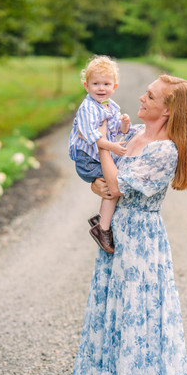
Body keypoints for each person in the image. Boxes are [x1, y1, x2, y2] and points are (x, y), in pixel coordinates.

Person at [67, 74, 187, 375]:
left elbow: (115, 185)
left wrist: (101, 150)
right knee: (112, 314)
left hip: (142, 241)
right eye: (145, 93)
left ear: (168, 109)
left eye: (150, 96)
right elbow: (101, 185)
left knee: (136, 319)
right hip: (118, 235)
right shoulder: (134, 137)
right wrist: (103, 175)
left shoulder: (165, 150)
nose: (141, 99)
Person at [68, 55, 133, 254]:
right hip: (86, 159)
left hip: (98, 154)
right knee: (114, 185)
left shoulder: (111, 106)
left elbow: (115, 132)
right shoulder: (87, 108)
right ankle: (102, 230)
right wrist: (112, 147)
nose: (101, 88)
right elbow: (92, 136)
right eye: (96, 83)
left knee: (113, 183)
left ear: (115, 86)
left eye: (106, 83)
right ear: (87, 86)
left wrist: (124, 125)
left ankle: (101, 218)